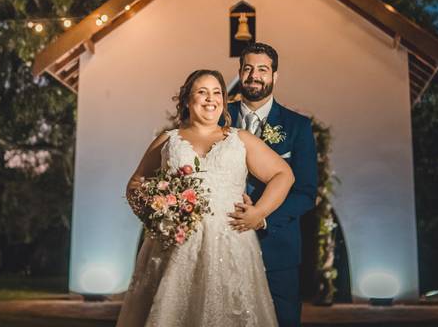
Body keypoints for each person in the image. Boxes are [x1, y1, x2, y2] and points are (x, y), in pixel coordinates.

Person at [116, 69, 295, 327]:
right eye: (202, 92)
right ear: (187, 100)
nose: (211, 99)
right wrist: (158, 213)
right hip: (173, 246)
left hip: (230, 242)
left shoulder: (239, 139)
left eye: (217, 93)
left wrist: (259, 212)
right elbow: (135, 184)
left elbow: (283, 174)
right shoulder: (168, 140)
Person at [226, 43, 318, 327]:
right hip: (223, 242)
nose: (255, 75)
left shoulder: (297, 126)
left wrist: (261, 218)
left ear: (275, 76)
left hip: (277, 247)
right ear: (240, 72)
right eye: (248, 68)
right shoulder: (218, 117)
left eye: (262, 70)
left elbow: (305, 192)